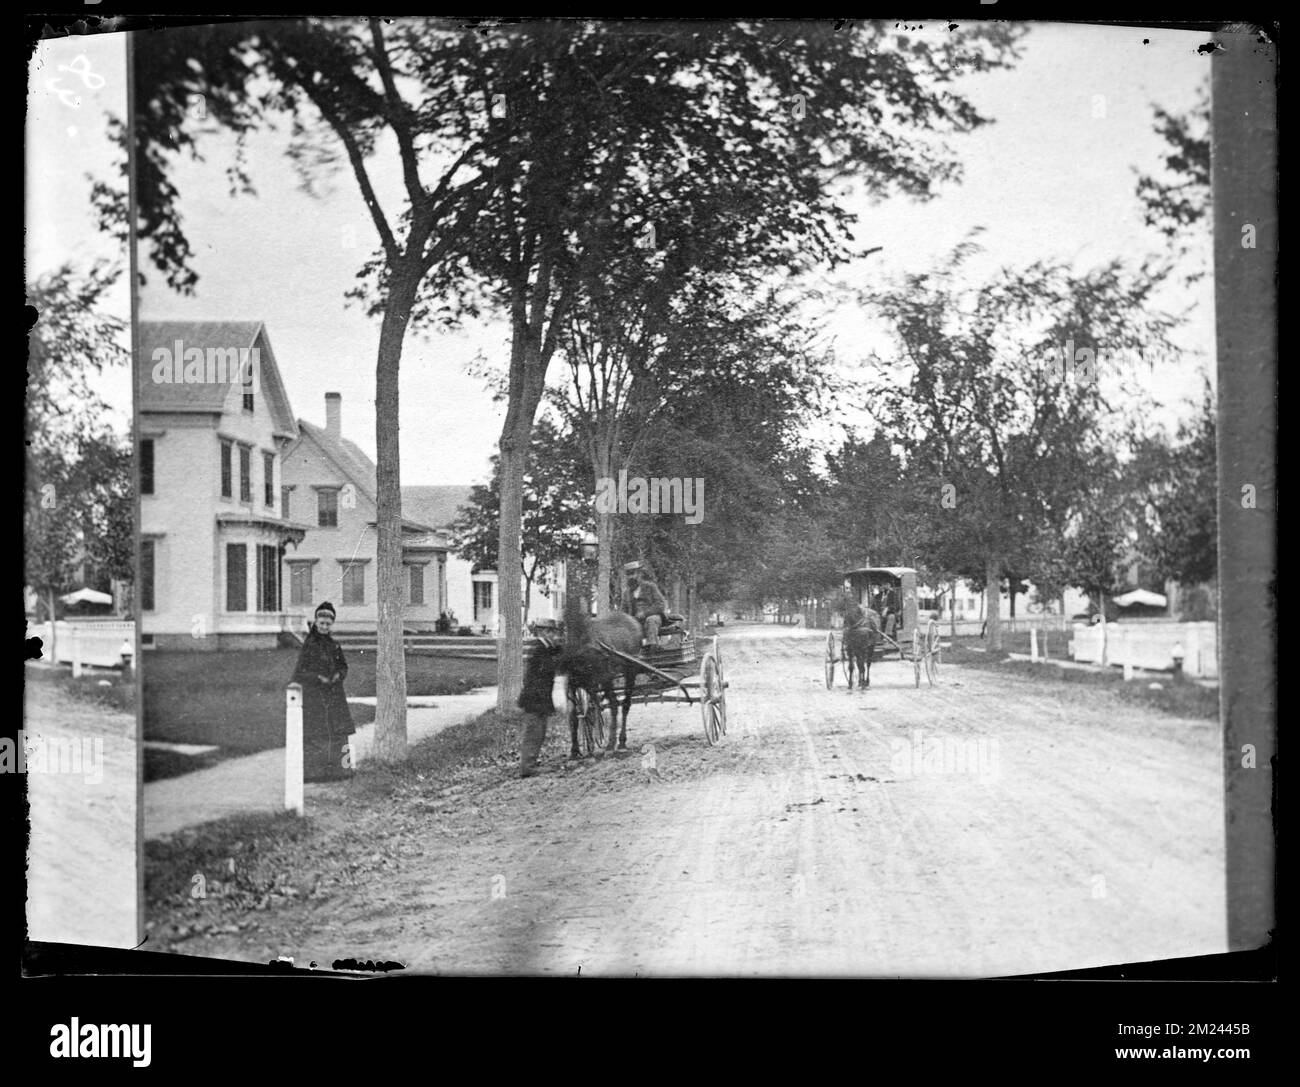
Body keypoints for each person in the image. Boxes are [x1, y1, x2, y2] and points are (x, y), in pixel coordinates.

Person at [291, 601, 356, 782]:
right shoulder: (309, 646)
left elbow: (343, 667)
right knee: (315, 734)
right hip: (315, 696)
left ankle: (342, 770)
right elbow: (299, 672)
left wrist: (338, 675)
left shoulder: (334, 645)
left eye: (328, 624)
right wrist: (318, 678)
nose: (325, 627)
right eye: (322, 623)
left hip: (335, 696)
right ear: (316, 623)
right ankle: (314, 773)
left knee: (340, 733)